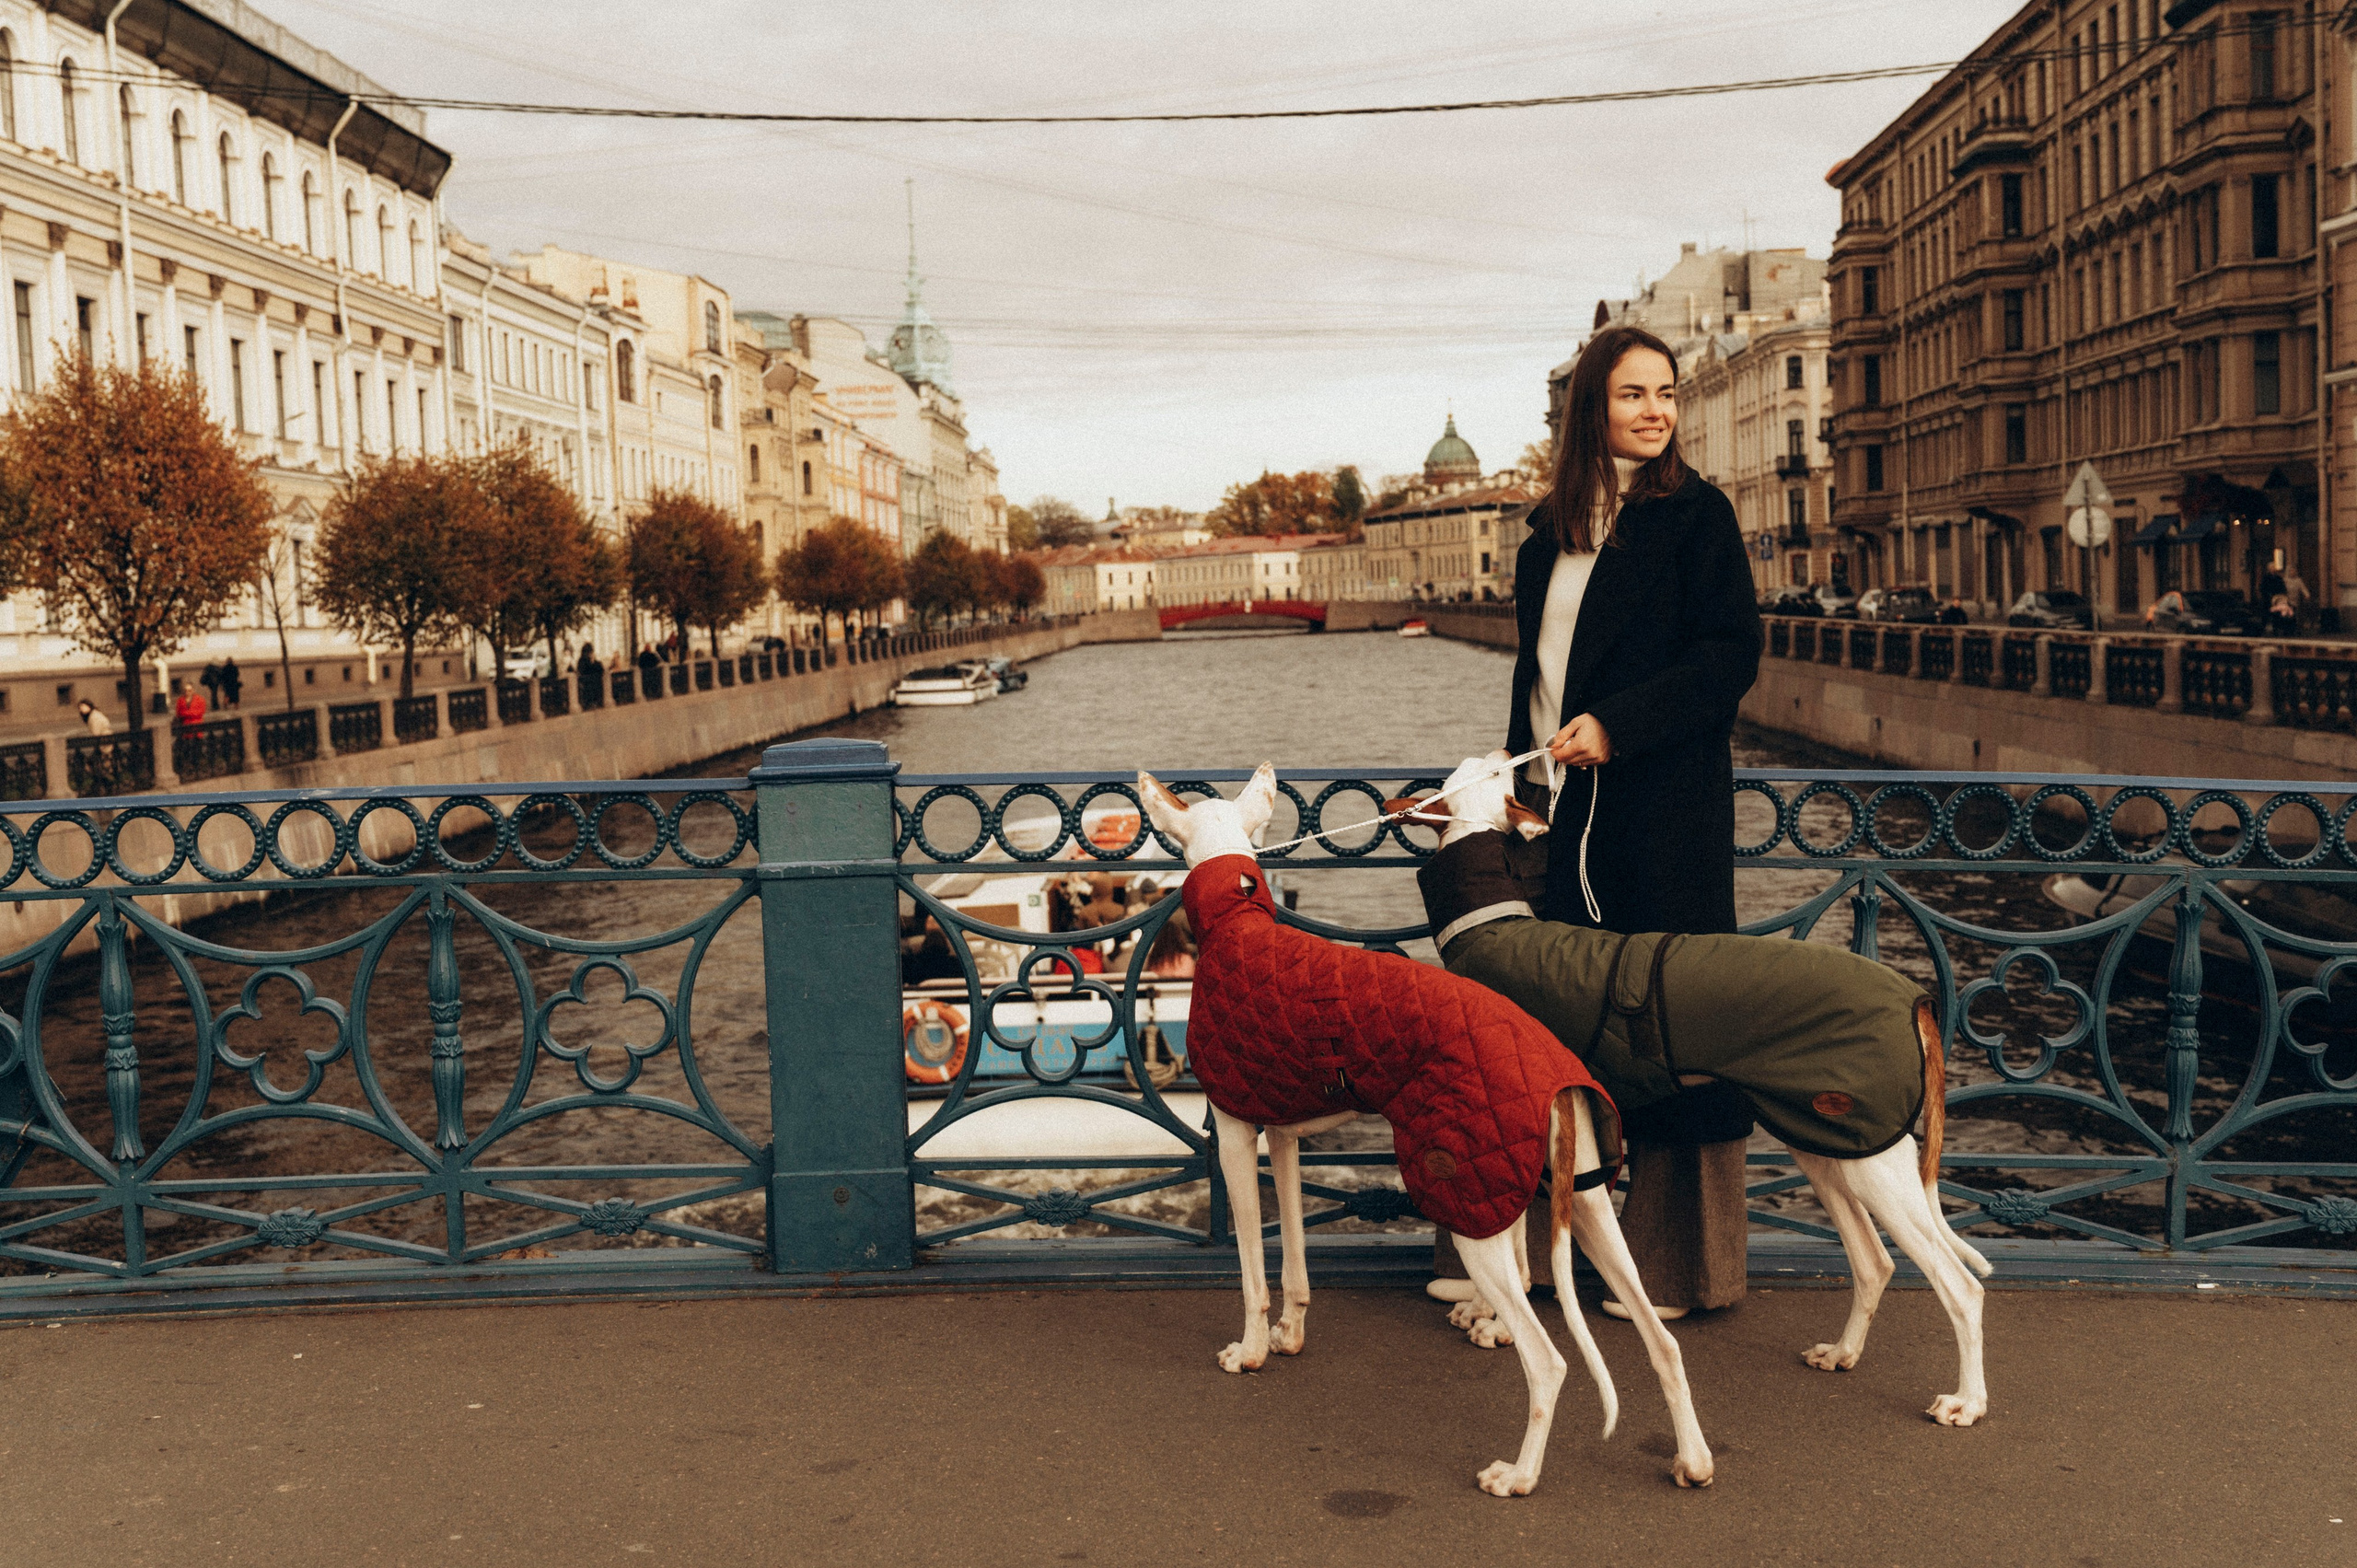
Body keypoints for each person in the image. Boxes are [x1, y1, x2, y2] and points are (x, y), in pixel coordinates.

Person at [1495, 322, 1763, 1320]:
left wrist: (1620, 724)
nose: (1655, 410)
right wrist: (1509, 784)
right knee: (1554, 1028)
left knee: (1673, 1025)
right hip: (1557, 816)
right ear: (1589, 412)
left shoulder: (1696, 517)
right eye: (1632, 394)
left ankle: (1682, 1268)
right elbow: (1538, 679)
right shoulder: (1544, 535)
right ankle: (1547, 1251)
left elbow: (1727, 656)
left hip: (1660, 814)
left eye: (1665, 393)